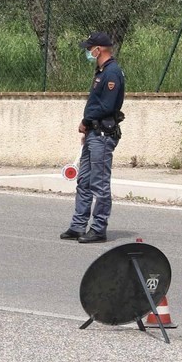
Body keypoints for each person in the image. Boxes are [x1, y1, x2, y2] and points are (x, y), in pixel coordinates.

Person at [61, 31, 125, 244]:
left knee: (99, 183)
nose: (88, 52)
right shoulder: (102, 72)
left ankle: (98, 228)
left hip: (102, 135)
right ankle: (78, 225)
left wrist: (86, 122)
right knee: (84, 181)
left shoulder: (112, 73)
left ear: (99, 49)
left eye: (90, 49)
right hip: (94, 134)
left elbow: (106, 106)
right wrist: (88, 128)